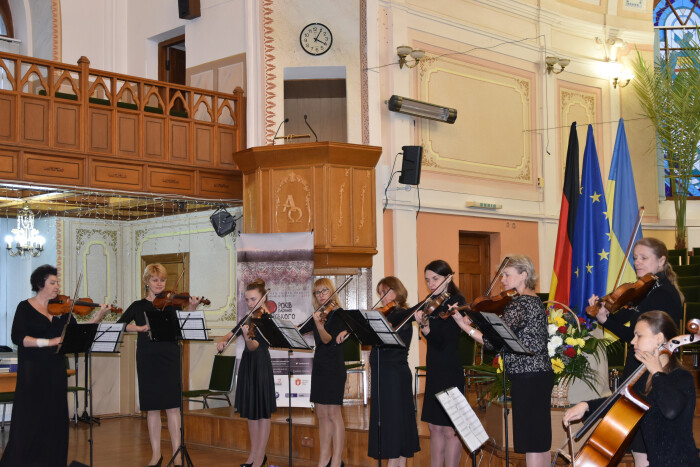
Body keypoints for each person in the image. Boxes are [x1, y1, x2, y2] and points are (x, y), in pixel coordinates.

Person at [0, 264, 110, 467]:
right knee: (30, 421)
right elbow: (18, 337)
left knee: (55, 422)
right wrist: (48, 342)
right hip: (33, 374)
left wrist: (98, 316)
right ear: (40, 284)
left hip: (55, 372)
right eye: (53, 282)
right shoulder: (25, 307)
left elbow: (78, 334)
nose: (57, 286)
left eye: (58, 282)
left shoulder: (63, 311)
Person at [588, 237, 683, 466]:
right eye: (635, 258)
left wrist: (606, 320)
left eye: (644, 258)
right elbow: (628, 316)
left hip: (651, 369)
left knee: (647, 438)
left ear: (661, 260)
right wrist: (605, 312)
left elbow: (637, 338)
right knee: (640, 438)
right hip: (641, 367)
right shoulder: (647, 290)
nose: (637, 262)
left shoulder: (662, 294)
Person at [451, 255, 553, 467]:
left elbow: (491, 343)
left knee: (530, 442)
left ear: (524, 275)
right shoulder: (535, 301)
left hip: (527, 377)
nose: (503, 280)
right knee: (540, 440)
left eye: (507, 275)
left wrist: (464, 326)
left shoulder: (518, 305)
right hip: (541, 374)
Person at [563, 311, 699, 467]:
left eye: (639, 336)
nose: (633, 341)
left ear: (659, 339)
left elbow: (671, 410)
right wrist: (586, 406)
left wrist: (657, 372)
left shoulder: (681, 377)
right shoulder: (644, 378)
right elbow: (622, 401)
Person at [117, 263, 203, 467]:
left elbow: (186, 324)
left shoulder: (172, 304)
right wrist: (138, 328)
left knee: (173, 407)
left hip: (169, 356)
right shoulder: (138, 306)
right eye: (155, 280)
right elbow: (120, 324)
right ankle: (156, 454)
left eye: (162, 280)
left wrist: (192, 307)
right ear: (147, 281)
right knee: (152, 408)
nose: (159, 283)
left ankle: (177, 454)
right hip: (147, 358)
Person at [216, 279, 276, 467]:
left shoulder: (267, 320)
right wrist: (223, 340)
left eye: (253, 299)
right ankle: (253, 454)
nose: (250, 304)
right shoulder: (249, 316)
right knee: (251, 411)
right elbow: (231, 333)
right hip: (248, 365)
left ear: (263, 298)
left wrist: (247, 336)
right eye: (247, 300)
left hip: (260, 364)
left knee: (263, 413)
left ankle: (260, 456)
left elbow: (254, 345)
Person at [414, 260, 467, 467]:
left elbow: (446, 339)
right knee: (434, 426)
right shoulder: (430, 303)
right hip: (434, 366)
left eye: (435, 278)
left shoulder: (456, 301)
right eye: (428, 280)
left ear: (449, 277)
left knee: (449, 428)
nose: (431, 284)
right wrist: (424, 327)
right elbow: (434, 340)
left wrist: (426, 328)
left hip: (449, 367)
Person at [367, 276, 420, 466]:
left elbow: (394, 338)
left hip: (395, 376)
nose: (382, 296)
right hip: (383, 375)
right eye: (380, 293)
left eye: (385, 291)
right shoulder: (385, 315)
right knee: (389, 424)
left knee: (396, 425)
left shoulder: (403, 314)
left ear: (396, 291)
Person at [310, 278, 348, 467]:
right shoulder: (318, 314)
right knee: (321, 414)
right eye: (318, 292)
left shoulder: (339, 314)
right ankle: (324, 458)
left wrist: (318, 325)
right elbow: (299, 330)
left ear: (332, 291)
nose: (322, 295)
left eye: (325, 290)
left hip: (334, 366)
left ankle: (337, 459)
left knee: (333, 414)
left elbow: (326, 339)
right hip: (319, 366)